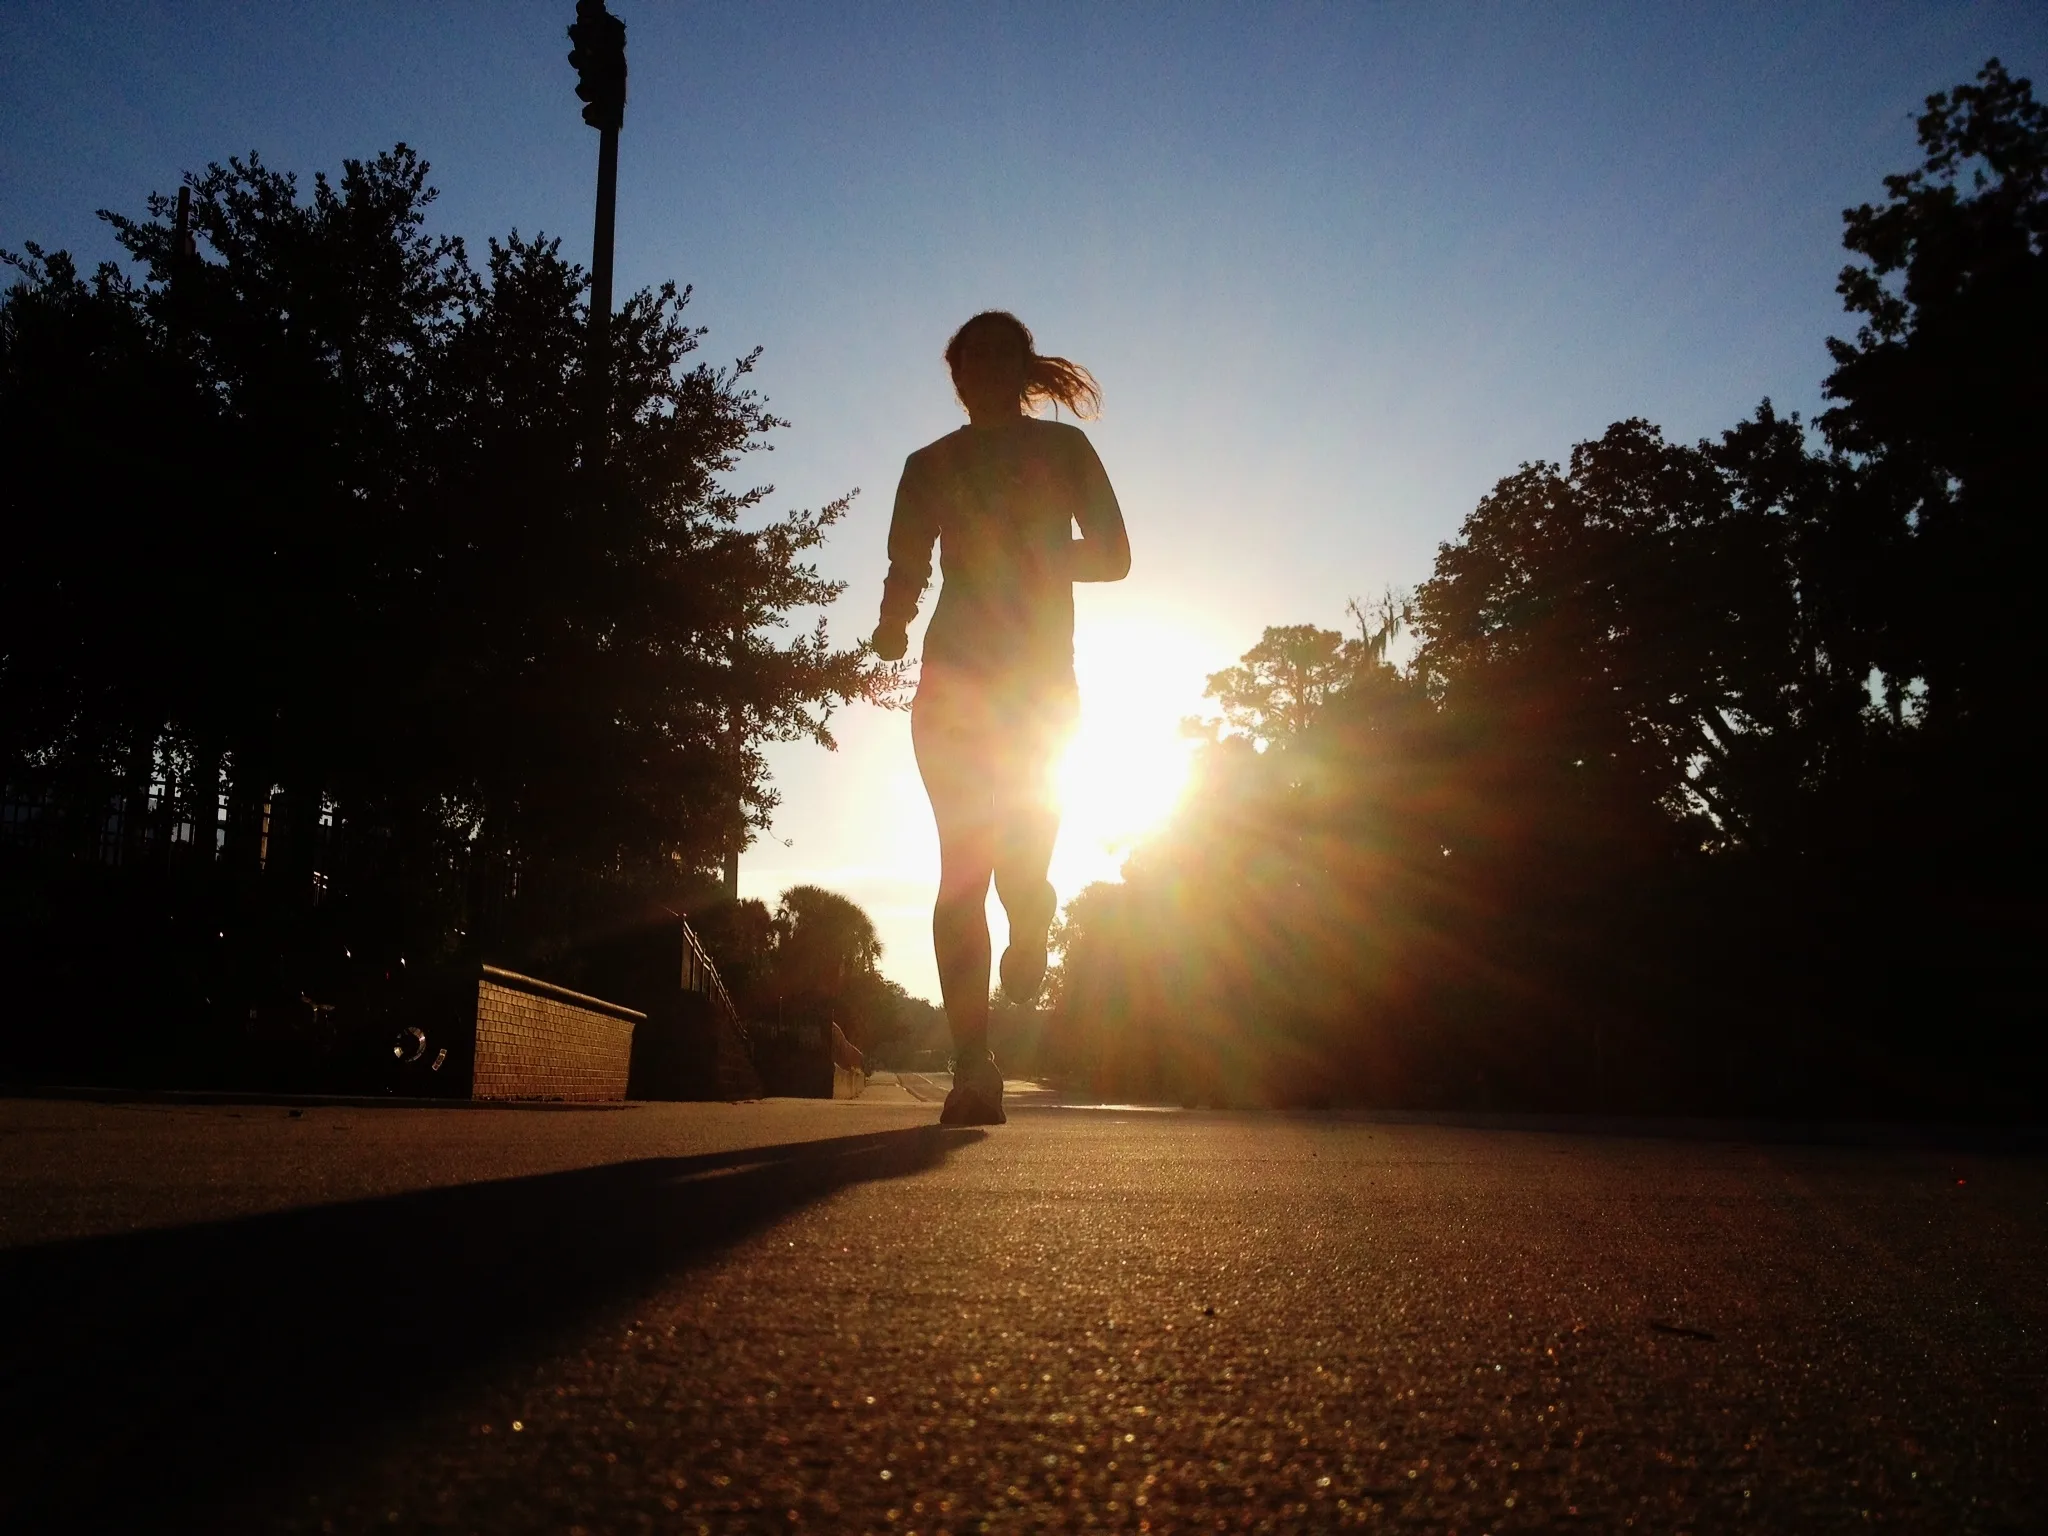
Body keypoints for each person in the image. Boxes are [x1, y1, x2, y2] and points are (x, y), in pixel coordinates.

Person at [870, 312, 1131, 1125]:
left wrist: (1033, 556)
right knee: (962, 871)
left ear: (1021, 370)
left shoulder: (1064, 451)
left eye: (997, 360)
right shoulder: (929, 466)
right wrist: (893, 621)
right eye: (969, 364)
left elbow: (1115, 555)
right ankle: (973, 1066)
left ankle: (1032, 913)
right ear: (956, 378)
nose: (981, 375)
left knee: (1018, 870)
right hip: (952, 684)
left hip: (1039, 692)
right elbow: (907, 560)